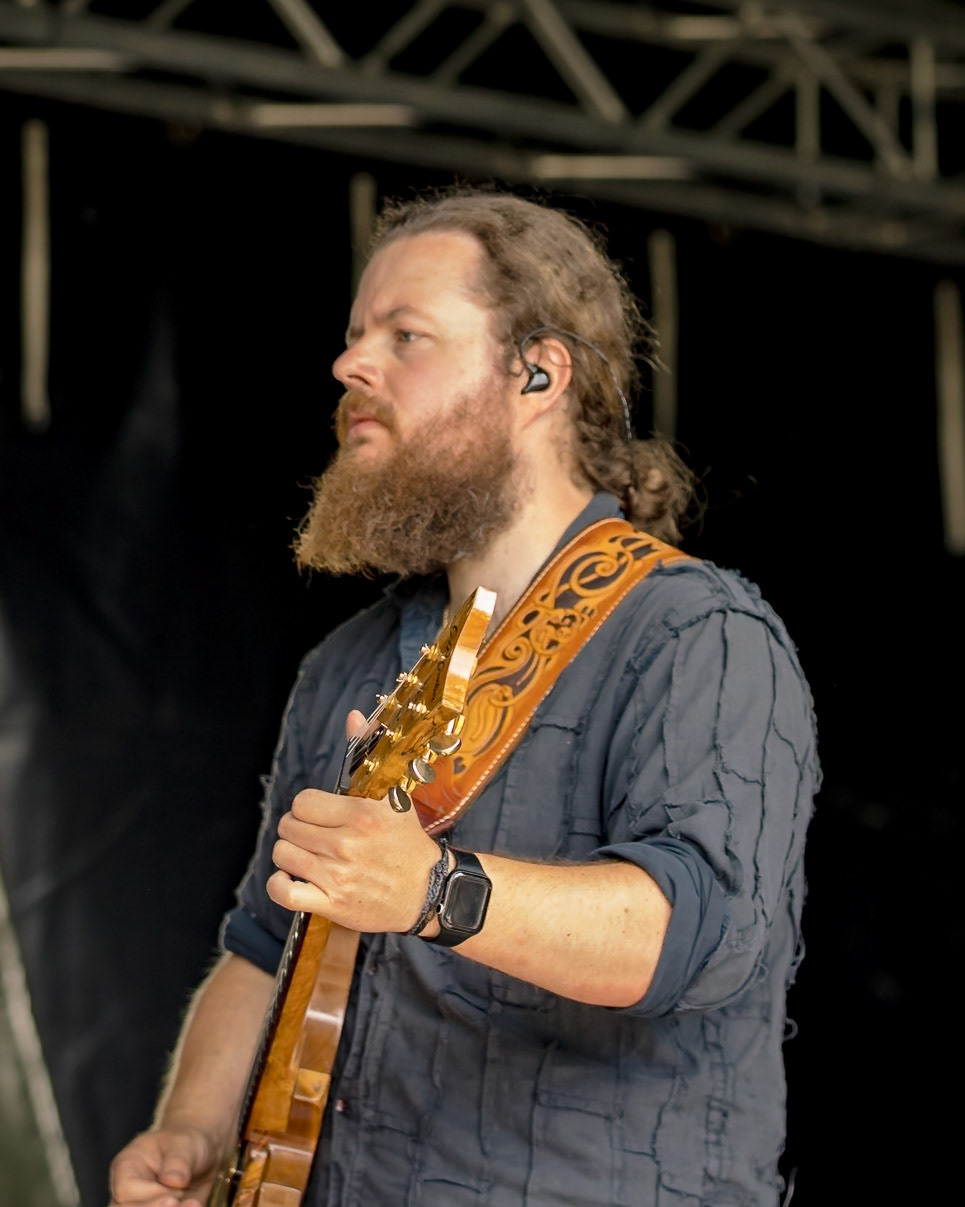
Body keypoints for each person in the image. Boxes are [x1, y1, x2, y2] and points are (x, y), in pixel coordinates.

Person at [108, 189, 817, 1207]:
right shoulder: (348, 664)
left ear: (537, 372)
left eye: (405, 337)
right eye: (355, 339)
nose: (351, 367)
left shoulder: (695, 634)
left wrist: (438, 891)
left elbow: (697, 930)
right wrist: (190, 1129)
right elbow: (265, 947)